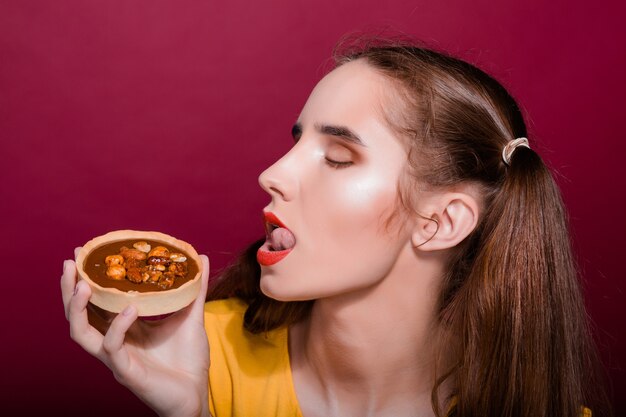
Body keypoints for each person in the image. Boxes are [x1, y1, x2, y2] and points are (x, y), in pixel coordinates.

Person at [61, 38, 611, 417]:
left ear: (441, 221)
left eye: (339, 156)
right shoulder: (200, 351)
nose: (271, 174)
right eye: (297, 141)